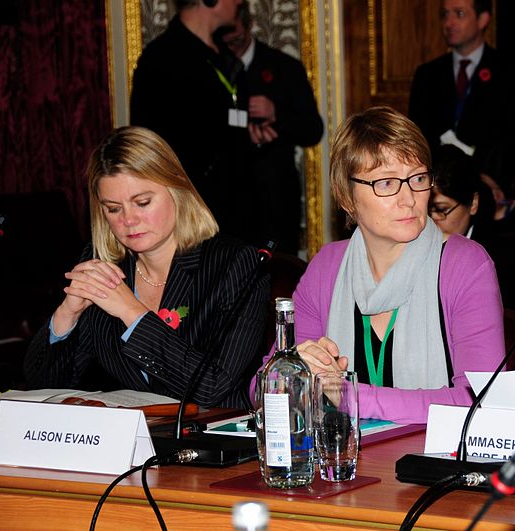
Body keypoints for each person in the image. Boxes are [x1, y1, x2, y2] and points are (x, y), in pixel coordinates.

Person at [249, 107, 504, 424]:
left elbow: (481, 400)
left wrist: (351, 396)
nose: (408, 198)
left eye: (418, 178)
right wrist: (289, 372)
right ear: (346, 197)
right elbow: (259, 387)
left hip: (433, 465)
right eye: (386, 183)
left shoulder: (464, 264)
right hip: (346, 463)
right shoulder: (327, 267)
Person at [24, 126, 269, 409]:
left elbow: (212, 387)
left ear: (177, 190)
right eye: (113, 209)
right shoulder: (103, 263)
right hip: (132, 439)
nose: (129, 220)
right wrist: (68, 314)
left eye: (142, 202)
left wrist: (132, 312)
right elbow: (42, 388)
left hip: (215, 439)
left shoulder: (236, 264)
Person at [130, 0, 256, 245]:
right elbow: (153, 149)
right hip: (196, 213)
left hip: (237, 208)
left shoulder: (221, 52)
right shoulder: (161, 59)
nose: (240, 1)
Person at [222, 1, 324, 253]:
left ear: (249, 25)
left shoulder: (284, 67)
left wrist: (276, 113)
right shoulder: (211, 68)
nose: (231, 48)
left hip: (275, 200)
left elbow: (313, 130)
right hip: (227, 199)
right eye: (224, 42)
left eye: (236, 40)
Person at [430, 145, 515, 331]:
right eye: (425, 210)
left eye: (441, 210)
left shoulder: (509, 257)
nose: (431, 221)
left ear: (473, 203)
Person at [408, 0, 515, 170]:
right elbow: (417, 136)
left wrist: (491, 178)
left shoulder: (508, 72)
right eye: (445, 14)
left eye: (459, 13)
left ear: (482, 20)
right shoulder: (427, 74)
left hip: (490, 183)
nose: (449, 23)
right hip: (438, 181)